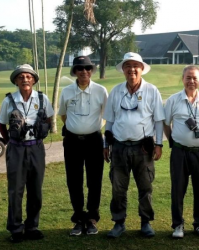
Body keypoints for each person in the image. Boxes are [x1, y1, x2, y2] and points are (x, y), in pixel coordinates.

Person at [103, 52, 165, 238]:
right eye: (128, 66)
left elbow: (159, 120)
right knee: (118, 187)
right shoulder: (116, 91)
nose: (132, 69)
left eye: (135, 66)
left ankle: (145, 222)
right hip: (119, 147)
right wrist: (106, 145)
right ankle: (119, 223)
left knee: (145, 186)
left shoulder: (152, 90)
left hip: (143, 147)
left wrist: (159, 144)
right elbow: (110, 121)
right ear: (123, 69)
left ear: (141, 69)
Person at [0, 64, 54, 243]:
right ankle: (15, 229)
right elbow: (1, 124)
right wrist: (10, 142)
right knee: (16, 190)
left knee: (35, 189)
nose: (25, 79)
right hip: (16, 148)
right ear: (16, 81)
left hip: (36, 147)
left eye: (28, 76)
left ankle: (32, 227)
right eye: (21, 77)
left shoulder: (43, 99)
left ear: (34, 80)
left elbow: (49, 118)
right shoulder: (9, 100)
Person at [58, 56, 108, 236]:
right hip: (72, 141)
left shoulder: (101, 90)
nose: (84, 71)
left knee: (94, 181)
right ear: (75, 71)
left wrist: (93, 128)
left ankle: (92, 218)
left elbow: (107, 115)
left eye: (87, 68)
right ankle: (79, 218)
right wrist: (76, 126)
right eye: (80, 68)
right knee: (74, 180)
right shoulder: (67, 91)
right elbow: (63, 115)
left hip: (94, 141)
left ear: (91, 70)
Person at [164, 65, 199, 238]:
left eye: (195, 78)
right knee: (178, 189)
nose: (191, 81)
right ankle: (178, 225)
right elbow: (165, 123)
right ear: (182, 79)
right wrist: (173, 140)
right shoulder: (173, 100)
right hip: (180, 152)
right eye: (188, 77)